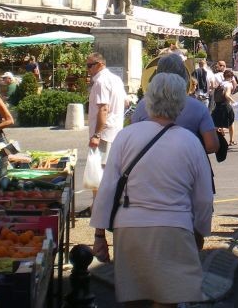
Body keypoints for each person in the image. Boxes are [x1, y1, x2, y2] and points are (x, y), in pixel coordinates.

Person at [89, 73, 213, 306]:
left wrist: (99, 236)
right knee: (167, 300)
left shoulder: (126, 136)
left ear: (149, 100)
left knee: (134, 299)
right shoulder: (190, 141)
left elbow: (107, 189)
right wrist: (199, 233)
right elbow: (204, 199)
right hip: (174, 227)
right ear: (180, 103)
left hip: (129, 228)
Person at [130, 54, 219, 155]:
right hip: (185, 163)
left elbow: (133, 136)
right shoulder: (198, 107)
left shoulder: (142, 105)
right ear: (184, 75)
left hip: (148, 163)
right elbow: (212, 145)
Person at [77, 52, 127, 227]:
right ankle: (99, 207)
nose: (87, 69)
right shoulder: (116, 79)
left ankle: (100, 210)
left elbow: (103, 109)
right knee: (107, 171)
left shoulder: (100, 81)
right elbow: (125, 103)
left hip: (104, 133)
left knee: (100, 173)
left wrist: (97, 134)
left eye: (89, 66)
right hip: (114, 130)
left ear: (99, 64)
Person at [211, 69, 237, 146]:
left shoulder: (221, 84)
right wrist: (234, 102)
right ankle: (231, 140)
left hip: (217, 105)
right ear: (231, 77)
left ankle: (218, 141)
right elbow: (227, 95)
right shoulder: (228, 85)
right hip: (225, 105)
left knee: (218, 123)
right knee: (231, 123)